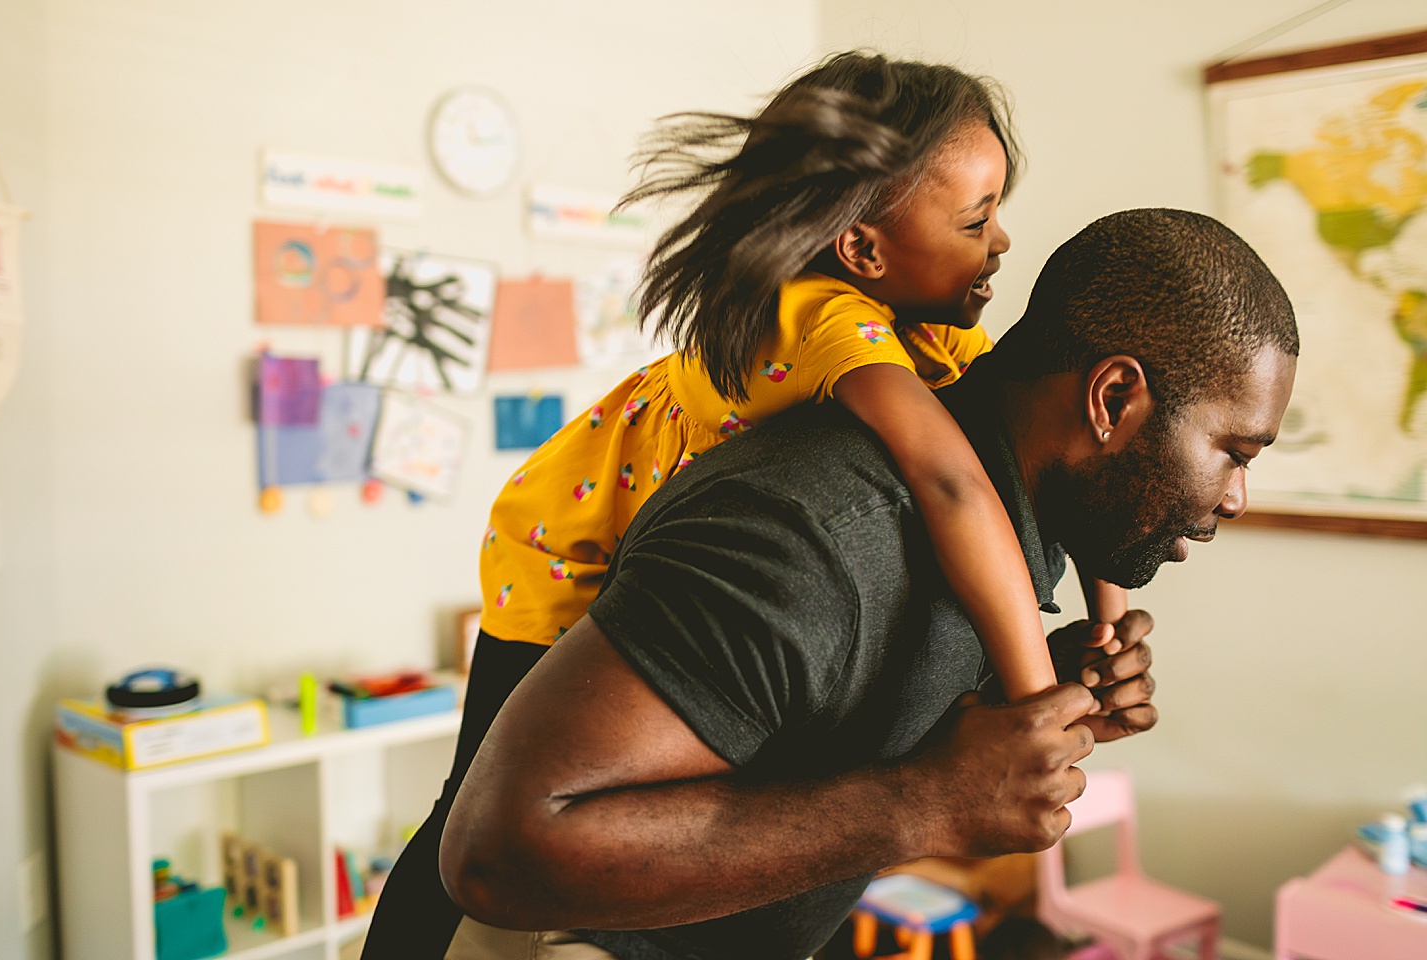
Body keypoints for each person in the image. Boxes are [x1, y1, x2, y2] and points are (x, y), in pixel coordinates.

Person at [434, 208, 1299, 960]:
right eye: (1235, 451)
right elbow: (501, 852)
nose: (1236, 498)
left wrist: (1018, 698)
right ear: (1113, 400)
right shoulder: (816, 534)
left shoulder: (1022, 522)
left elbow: (797, 743)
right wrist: (929, 802)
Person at [478, 51, 1125, 708]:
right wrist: (1036, 709)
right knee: (485, 793)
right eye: (976, 221)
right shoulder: (824, 321)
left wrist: (1110, 628)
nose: (1002, 240)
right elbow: (952, 482)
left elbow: (1048, 435)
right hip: (558, 558)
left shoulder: (933, 324)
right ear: (863, 251)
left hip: (662, 559)